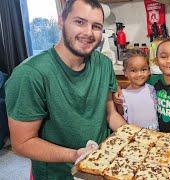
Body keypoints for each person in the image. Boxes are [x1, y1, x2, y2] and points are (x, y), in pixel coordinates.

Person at [5, 0, 126, 179]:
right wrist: (76, 155)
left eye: (96, 26)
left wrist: (134, 136)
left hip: (102, 167)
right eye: (79, 22)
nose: (88, 32)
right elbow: (22, 143)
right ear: (61, 21)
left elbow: (110, 114)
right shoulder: (30, 74)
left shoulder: (104, 64)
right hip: (58, 173)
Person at [115, 39, 170, 138]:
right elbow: (134, 85)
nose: (169, 61)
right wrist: (118, 90)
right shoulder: (152, 81)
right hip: (159, 138)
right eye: (163, 57)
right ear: (156, 61)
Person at [115, 49, 158, 130]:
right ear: (125, 72)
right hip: (134, 137)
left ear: (149, 70)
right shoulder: (122, 95)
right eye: (133, 70)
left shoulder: (152, 89)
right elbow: (120, 114)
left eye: (143, 69)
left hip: (154, 134)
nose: (139, 74)